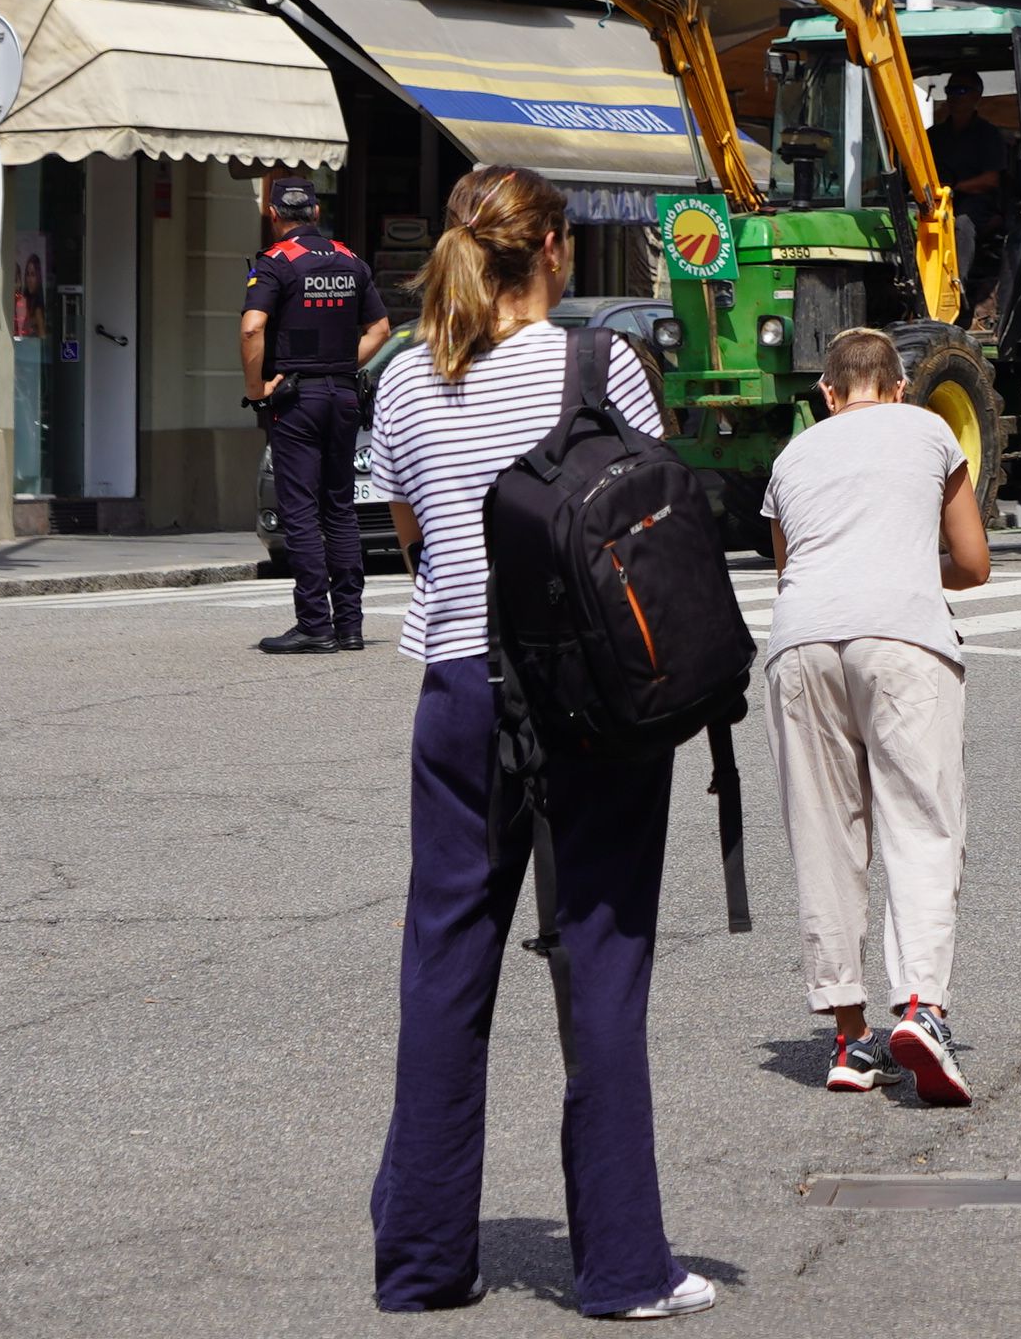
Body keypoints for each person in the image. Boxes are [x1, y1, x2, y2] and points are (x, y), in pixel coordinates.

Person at [362, 167, 713, 1321]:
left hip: (458, 688)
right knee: (601, 961)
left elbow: (414, 535)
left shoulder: (407, 381)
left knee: (444, 966)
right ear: (554, 247)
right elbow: (651, 514)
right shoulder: (597, 366)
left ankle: (422, 1261)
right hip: (587, 704)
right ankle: (621, 1265)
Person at [762, 324, 988, 1105]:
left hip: (800, 647)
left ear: (827, 394)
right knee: (921, 823)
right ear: (898, 387)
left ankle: (849, 1040)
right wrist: (904, 563)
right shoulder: (928, 431)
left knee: (825, 835)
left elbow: (794, 571)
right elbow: (974, 564)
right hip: (902, 640)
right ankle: (922, 1006)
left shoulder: (793, 455)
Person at [242, 172, 391, 656]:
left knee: (301, 511)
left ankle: (314, 623)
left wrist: (257, 389)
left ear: (273, 215)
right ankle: (349, 625)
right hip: (344, 396)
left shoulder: (276, 263)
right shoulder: (351, 260)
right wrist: (344, 365)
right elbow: (382, 328)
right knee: (340, 508)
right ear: (317, 213)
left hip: (297, 399)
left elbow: (252, 329)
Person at [928, 80, 1013, 320]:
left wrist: (955, 188)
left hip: (976, 200)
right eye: (950, 91)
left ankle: (954, 291)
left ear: (977, 95)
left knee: (960, 223)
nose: (954, 97)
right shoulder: (934, 136)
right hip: (934, 201)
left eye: (961, 90)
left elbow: (991, 179)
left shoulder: (988, 135)